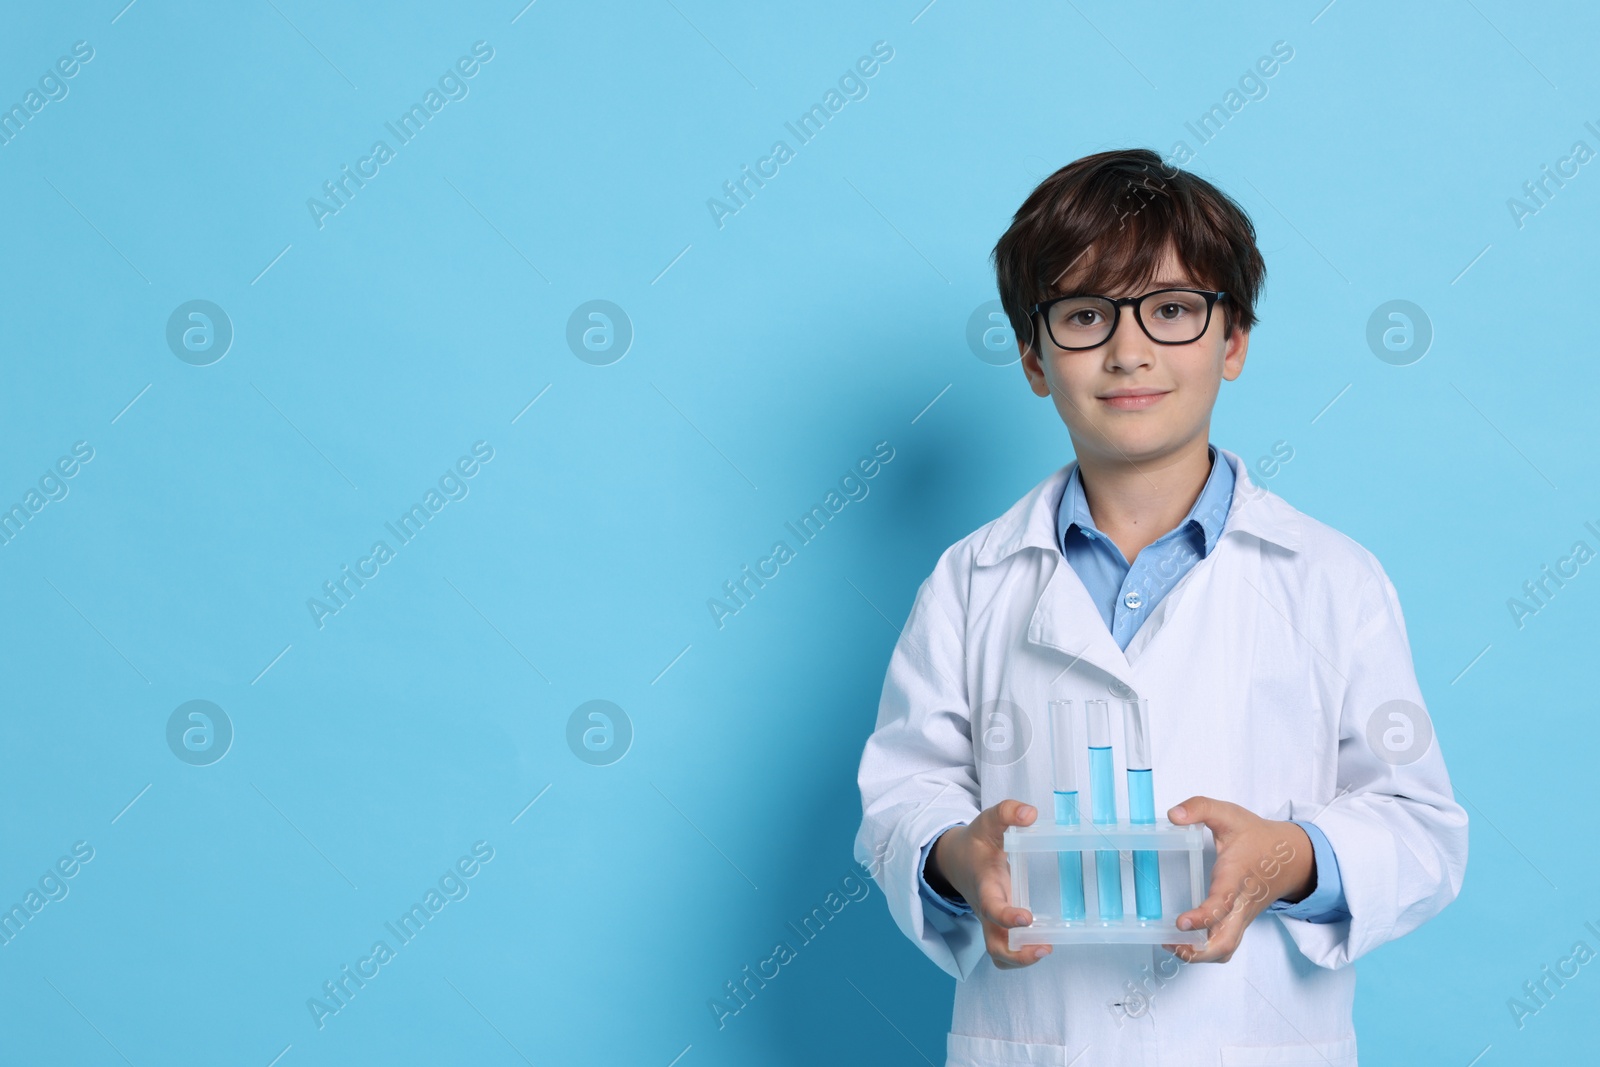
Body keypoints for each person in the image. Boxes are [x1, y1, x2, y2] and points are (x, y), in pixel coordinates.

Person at [852, 148, 1467, 1066]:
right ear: (1032, 355)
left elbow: (1419, 824)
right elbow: (902, 792)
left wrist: (1285, 859)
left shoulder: (1332, 578)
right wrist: (955, 855)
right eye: (1085, 314)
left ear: (1234, 341)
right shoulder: (968, 580)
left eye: (1173, 310)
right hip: (1039, 1036)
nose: (1129, 350)